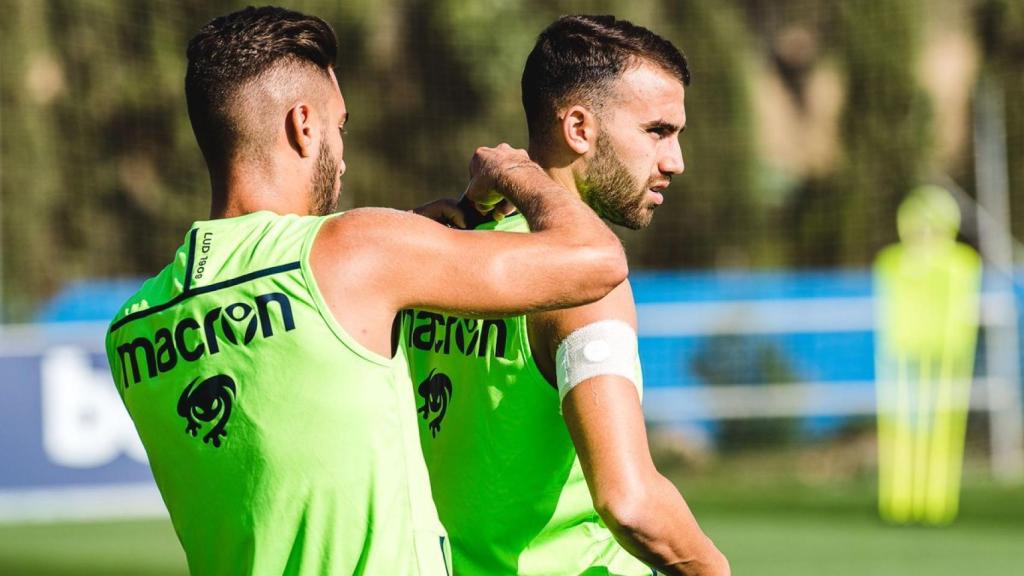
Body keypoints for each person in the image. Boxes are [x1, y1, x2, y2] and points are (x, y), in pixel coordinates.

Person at [104, 6, 628, 576]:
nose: (344, 153)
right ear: (303, 125)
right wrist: (514, 171)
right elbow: (595, 262)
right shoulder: (355, 253)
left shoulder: (134, 324)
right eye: (339, 125)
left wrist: (415, 238)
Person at [400, 15, 729, 576]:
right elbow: (630, 504)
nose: (675, 161)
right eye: (657, 131)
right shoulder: (581, 283)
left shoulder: (431, 256)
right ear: (579, 128)